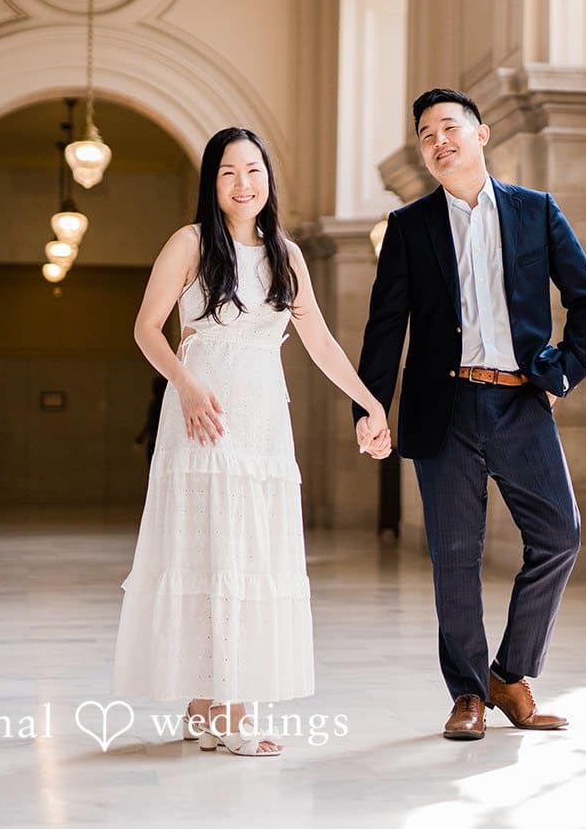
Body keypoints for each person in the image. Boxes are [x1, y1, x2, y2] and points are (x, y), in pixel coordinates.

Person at [113, 127, 390, 757]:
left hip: (264, 419)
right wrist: (182, 384)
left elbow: (319, 342)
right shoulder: (189, 243)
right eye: (230, 173)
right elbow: (146, 328)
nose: (245, 184)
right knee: (207, 550)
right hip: (202, 417)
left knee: (249, 553)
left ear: (269, 180)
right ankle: (227, 709)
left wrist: (369, 400)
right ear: (212, 184)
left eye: (254, 171)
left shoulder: (287, 255)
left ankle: (212, 701)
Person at [354, 87, 586, 741]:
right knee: (454, 556)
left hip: (521, 399)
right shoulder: (409, 227)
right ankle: (466, 693)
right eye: (426, 134)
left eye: (449, 128)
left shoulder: (534, 211)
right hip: (445, 405)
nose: (438, 141)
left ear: (481, 134)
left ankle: (510, 673)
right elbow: (386, 329)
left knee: (560, 534)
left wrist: (561, 374)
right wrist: (369, 407)